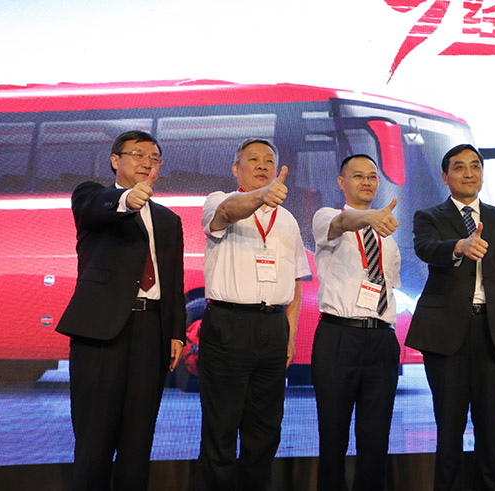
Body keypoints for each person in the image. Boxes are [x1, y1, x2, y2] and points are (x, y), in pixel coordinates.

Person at [56, 130, 185, 490]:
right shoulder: (92, 197)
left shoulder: (168, 220)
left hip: (152, 331)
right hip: (101, 332)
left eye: (154, 157)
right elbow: (99, 205)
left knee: (137, 442)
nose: (147, 162)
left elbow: (173, 281)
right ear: (115, 160)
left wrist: (176, 332)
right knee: (94, 441)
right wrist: (128, 199)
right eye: (138, 154)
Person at [406, 144, 495, 491]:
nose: (469, 173)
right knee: (449, 427)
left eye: (475, 166)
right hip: (446, 335)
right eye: (459, 167)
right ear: (445, 176)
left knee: (490, 427)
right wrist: (458, 246)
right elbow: (425, 248)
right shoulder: (429, 216)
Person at [195, 138, 310, 490]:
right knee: (221, 428)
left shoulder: (287, 219)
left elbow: (295, 282)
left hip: (273, 328)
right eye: (253, 159)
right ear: (236, 168)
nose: (262, 165)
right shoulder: (218, 200)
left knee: (265, 429)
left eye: (269, 161)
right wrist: (261, 196)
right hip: (228, 325)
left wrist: (289, 336)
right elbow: (229, 212)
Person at [311, 154, 402, 491]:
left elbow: (390, 285)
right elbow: (342, 224)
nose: (367, 182)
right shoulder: (326, 216)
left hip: (381, 339)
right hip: (339, 335)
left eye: (372, 176)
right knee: (333, 434)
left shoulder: (387, 237)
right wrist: (369, 217)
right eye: (358, 175)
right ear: (341, 182)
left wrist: (377, 221)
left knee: (376, 437)